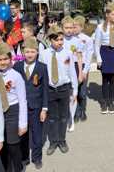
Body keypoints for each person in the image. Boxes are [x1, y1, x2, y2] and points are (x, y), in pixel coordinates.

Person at [0, 42, 28, 172]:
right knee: (1, 144)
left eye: (5, 59)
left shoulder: (16, 76)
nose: (2, 62)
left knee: (13, 144)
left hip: (12, 112)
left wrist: (23, 123)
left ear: (10, 59)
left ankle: (18, 167)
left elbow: (22, 100)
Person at [39, 25, 78, 155]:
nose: (59, 42)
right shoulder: (44, 54)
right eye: (56, 40)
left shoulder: (68, 53)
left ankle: (62, 140)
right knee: (52, 117)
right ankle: (53, 141)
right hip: (50, 90)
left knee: (63, 116)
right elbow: (41, 74)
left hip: (64, 89)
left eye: (61, 39)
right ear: (50, 40)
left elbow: (72, 72)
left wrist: (74, 90)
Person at [13, 37, 48, 170]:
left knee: (37, 135)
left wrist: (44, 108)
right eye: (27, 52)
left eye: (33, 52)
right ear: (22, 52)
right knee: (23, 134)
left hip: (37, 107)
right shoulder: (17, 67)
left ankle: (37, 157)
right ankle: (24, 158)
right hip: (21, 108)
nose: (30, 54)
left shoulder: (42, 67)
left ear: (37, 53)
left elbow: (45, 89)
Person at [94, 2, 114, 114]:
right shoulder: (100, 27)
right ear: (107, 14)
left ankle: (111, 101)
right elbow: (97, 44)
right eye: (113, 14)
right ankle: (104, 102)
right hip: (104, 52)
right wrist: (99, 59)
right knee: (105, 79)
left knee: (112, 79)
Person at [72, 15, 94, 123]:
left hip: (83, 66)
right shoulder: (70, 39)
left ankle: (82, 109)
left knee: (82, 92)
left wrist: (85, 71)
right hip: (73, 67)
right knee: (74, 91)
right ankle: (76, 111)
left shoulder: (87, 39)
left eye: (76, 27)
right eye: (73, 26)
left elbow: (89, 56)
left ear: (81, 27)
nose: (73, 29)